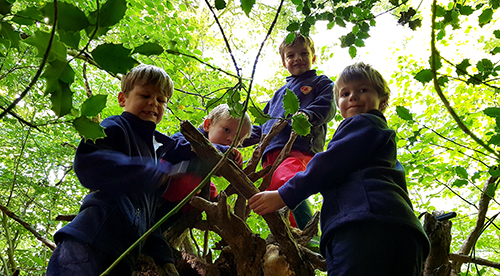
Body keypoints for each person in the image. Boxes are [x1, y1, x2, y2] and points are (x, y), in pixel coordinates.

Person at [249, 62, 430, 275]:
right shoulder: (379, 137)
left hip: (362, 228)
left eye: (362, 90)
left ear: (382, 100)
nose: (352, 96)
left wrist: (283, 195)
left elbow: (327, 164)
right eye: (345, 93)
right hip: (403, 232)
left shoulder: (364, 123)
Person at [47, 64, 203, 276]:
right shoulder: (116, 126)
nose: (153, 103)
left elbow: (148, 217)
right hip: (87, 244)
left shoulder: (153, 150)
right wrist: (153, 172)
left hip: (121, 257)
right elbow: (88, 162)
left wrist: (164, 258)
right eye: (145, 95)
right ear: (123, 99)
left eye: (161, 100)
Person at [256, 31, 336, 229]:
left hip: (298, 148)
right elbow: (261, 127)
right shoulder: (277, 96)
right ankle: (293, 236)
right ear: (284, 62)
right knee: (274, 199)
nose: (297, 58)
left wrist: (306, 115)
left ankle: (311, 237)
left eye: (304, 53)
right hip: (270, 155)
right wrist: (235, 135)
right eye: (291, 55)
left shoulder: (320, 83)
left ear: (313, 57)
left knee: (287, 183)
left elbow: (328, 106)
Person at [158, 104, 252, 225]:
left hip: (173, 208)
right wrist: (220, 150)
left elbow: (218, 171)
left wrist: (234, 162)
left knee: (212, 191)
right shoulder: (187, 137)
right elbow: (175, 150)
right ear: (208, 125)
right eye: (227, 130)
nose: (231, 140)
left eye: (238, 139)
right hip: (159, 188)